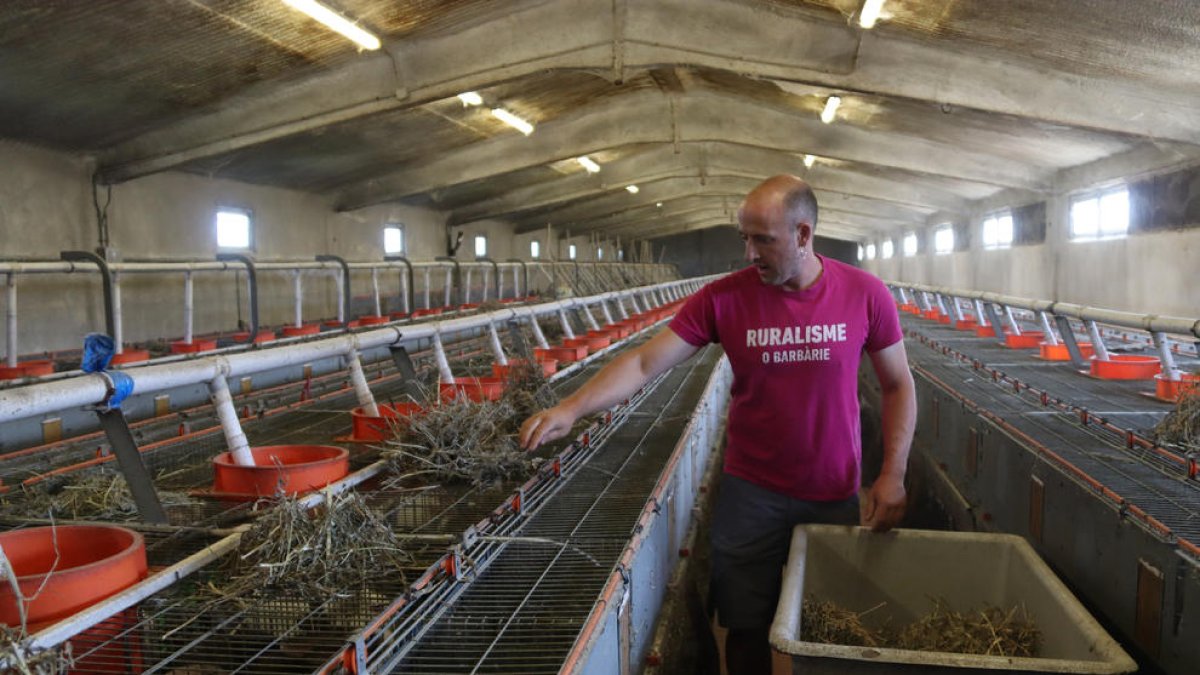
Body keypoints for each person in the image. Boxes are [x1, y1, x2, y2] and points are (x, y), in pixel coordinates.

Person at [519, 174, 916, 674]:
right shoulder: (723, 298)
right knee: (744, 627)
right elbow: (644, 362)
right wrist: (571, 408)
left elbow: (898, 385)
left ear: (803, 234)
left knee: (829, 628)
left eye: (763, 240)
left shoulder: (864, 293)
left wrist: (893, 473)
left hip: (831, 490)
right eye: (744, 238)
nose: (749, 253)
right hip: (751, 493)